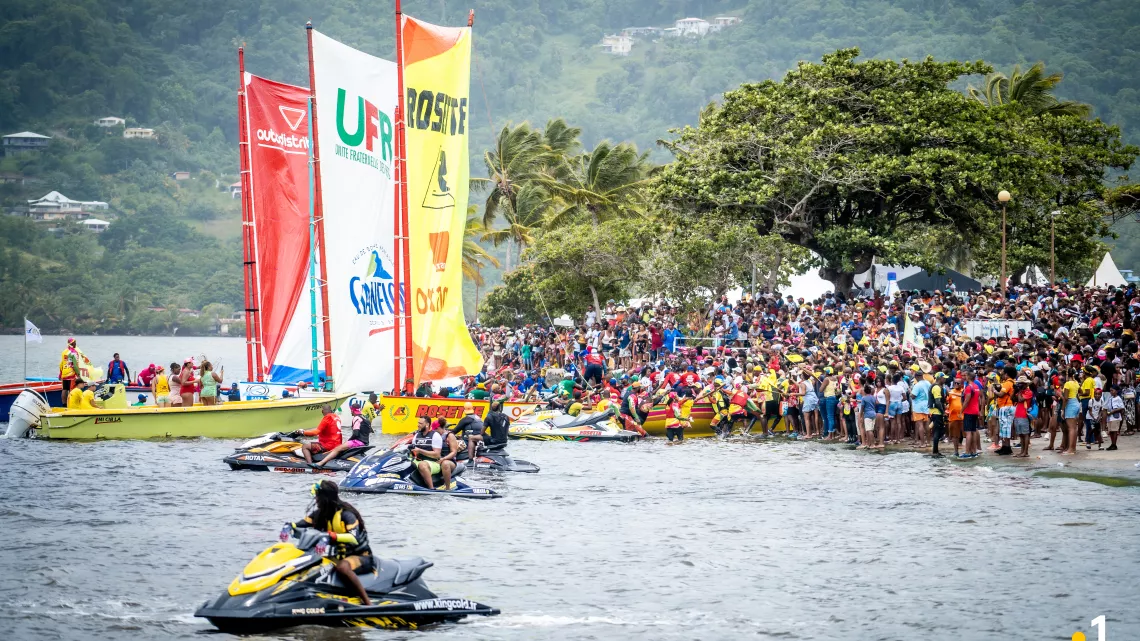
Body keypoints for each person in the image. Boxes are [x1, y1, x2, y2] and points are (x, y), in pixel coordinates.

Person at [289, 480, 373, 605]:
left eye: (318, 496)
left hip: (361, 557)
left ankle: (367, 603)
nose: (316, 500)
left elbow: (353, 538)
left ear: (325, 498)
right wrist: (290, 526)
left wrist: (332, 536)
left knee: (343, 567)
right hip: (336, 556)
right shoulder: (320, 514)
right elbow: (302, 524)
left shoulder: (347, 515)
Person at [316, 401, 372, 467]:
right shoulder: (365, 418)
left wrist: (349, 441)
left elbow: (356, 433)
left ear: (353, 410)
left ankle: (320, 463)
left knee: (337, 449)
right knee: (344, 444)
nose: (351, 412)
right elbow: (370, 431)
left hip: (358, 442)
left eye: (351, 410)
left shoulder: (356, 418)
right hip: (365, 442)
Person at [409, 416, 443, 490]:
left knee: (422, 465)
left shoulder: (435, 435)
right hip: (418, 460)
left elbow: (437, 454)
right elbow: (413, 450)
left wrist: (420, 451)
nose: (418, 425)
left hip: (433, 463)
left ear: (427, 425)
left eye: (420, 423)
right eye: (418, 423)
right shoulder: (416, 435)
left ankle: (431, 488)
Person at [455, 403, 485, 469]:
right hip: (479, 440)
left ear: (464, 410)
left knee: (452, 444)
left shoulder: (466, 419)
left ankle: (452, 459)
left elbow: (455, 431)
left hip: (469, 442)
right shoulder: (477, 417)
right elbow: (474, 430)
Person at [1105, 386, 1124, 450]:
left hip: (1115, 417)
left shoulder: (1118, 398)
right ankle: (1112, 443)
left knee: (1115, 430)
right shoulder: (1110, 398)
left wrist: (1113, 411)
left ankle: (1114, 444)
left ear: (1116, 391)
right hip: (1110, 417)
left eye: (1112, 390)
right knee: (1111, 431)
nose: (1111, 392)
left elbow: (1121, 407)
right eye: (1110, 390)